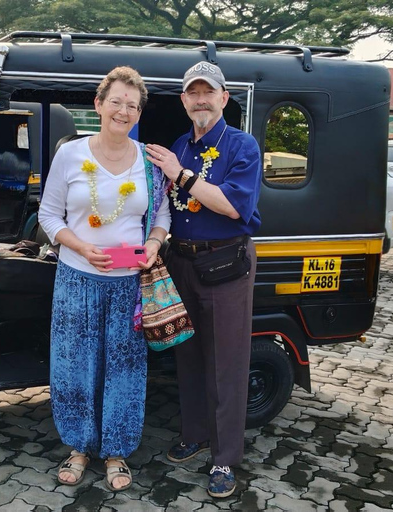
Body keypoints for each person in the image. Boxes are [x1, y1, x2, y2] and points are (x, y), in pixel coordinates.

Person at [39, 66, 171, 491]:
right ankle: (79, 447)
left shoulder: (149, 162)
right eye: (115, 101)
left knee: (125, 368)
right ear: (98, 105)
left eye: (132, 105)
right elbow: (47, 215)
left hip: (131, 283)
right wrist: (79, 248)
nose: (123, 111)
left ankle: (116, 453)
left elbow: (163, 216)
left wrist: (154, 243)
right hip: (77, 278)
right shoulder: (70, 154)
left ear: (138, 113)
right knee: (74, 365)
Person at [145, 62, 262, 498]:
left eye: (207, 92)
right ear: (183, 101)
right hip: (182, 261)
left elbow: (233, 207)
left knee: (226, 364)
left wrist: (180, 173)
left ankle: (225, 458)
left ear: (223, 97)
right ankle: (194, 435)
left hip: (226, 264)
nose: (200, 100)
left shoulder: (241, 146)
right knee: (188, 355)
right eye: (192, 93)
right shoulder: (180, 144)